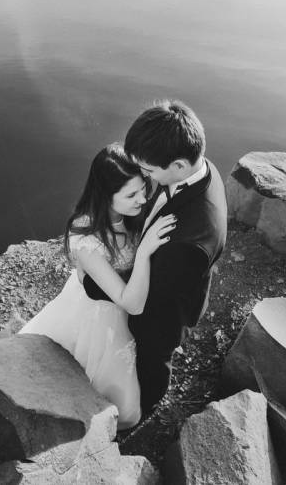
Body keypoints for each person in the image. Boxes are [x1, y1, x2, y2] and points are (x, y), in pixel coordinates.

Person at [84, 100, 228, 418]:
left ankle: (145, 409)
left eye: (149, 171)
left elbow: (150, 295)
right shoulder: (200, 167)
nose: (145, 177)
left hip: (163, 312)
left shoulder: (189, 241)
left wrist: (93, 281)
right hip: (176, 275)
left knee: (153, 357)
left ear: (178, 165)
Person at [20, 143, 176, 429]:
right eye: (131, 195)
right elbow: (131, 303)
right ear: (106, 195)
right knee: (117, 400)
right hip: (101, 312)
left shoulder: (132, 213)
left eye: (143, 189)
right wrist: (144, 252)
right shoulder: (87, 239)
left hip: (125, 300)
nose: (142, 199)